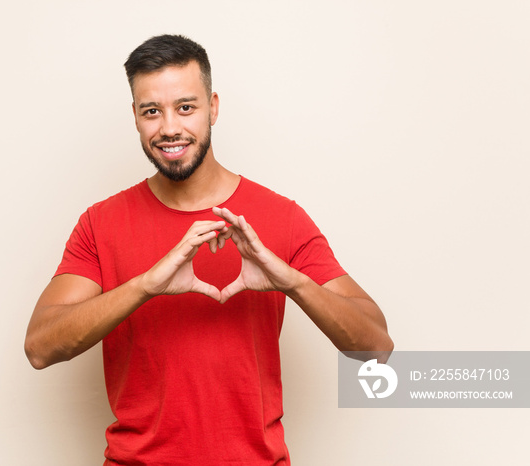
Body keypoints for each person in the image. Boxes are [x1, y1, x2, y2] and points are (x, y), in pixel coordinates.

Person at [25, 34, 393, 465]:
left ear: (213, 107)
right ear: (135, 116)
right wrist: (145, 285)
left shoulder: (282, 217)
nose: (169, 128)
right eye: (151, 111)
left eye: (186, 107)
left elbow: (377, 347)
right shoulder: (100, 222)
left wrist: (292, 282)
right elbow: (40, 347)